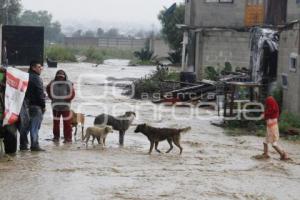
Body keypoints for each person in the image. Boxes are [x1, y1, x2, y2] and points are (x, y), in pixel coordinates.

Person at [19, 60, 46, 151]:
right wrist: (43, 106)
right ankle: (34, 145)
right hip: (35, 106)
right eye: (39, 67)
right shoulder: (37, 78)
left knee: (25, 126)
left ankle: (23, 146)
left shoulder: (24, 77)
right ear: (33, 67)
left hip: (24, 106)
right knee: (34, 127)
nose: (41, 69)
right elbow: (40, 94)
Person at [46, 70, 75, 143]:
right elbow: (47, 89)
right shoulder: (52, 83)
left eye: (61, 77)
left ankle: (68, 139)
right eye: (58, 76)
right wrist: (51, 97)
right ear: (56, 76)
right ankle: (56, 137)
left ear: (65, 76)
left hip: (66, 107)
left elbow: (73, 94)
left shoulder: (69, 83)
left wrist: (67, 99)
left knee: (67, 123)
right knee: (56, 123)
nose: (60, 78)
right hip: (55, 107)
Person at [262, 96, 289, 160]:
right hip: (269, 129)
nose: (267, 105)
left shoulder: (273, 112)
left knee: (274, 144)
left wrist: (264, 115)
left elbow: (268, 115)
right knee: (265, 142)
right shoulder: (269, 111)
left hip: (273, 130)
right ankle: (265, 154)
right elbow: (266, 113)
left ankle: (283, 155)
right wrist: (264, 115)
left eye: (268, 103)